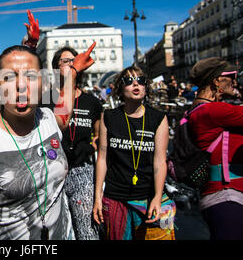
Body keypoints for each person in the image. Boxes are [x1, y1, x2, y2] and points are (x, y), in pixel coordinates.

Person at [0, 42, 95, 240]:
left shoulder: (48, 119)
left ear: (42, 84)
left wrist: (73, 72)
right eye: (9, 77)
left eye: (31, 77)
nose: (21, 85)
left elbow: (64, 112)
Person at [93, 65, 176, 240]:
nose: (136, 85)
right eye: (129, 81)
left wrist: (157, 196)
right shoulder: (108, 117)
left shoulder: (158, 118)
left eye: (141, 81)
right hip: (116, 197)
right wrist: (98, 197)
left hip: (148, 196)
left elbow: (160, 161)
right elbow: (102, 158)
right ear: (120, 89)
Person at [42, 46, 102, 240]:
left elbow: (99, 135)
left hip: (82, 170)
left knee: (87, 229)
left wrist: (91, 146)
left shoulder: (91, 102)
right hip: (52, 171)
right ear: (56, 67)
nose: (70, 63)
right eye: (65, 61)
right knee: (56, 232)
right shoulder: (46, 99)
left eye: (73, 60)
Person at [187, 57, 243, 240]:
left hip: (219, 196)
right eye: (232, 76)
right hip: (227, 196)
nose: (235, 81)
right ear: (217, 80)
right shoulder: (214, 111)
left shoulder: (198, 109)